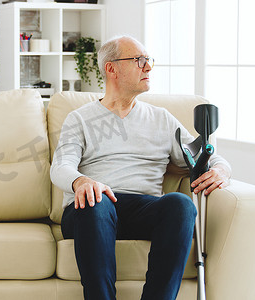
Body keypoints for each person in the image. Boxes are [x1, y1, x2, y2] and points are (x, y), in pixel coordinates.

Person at [50, 36, 231, 300]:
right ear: (111, 68)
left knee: (180, 205)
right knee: (96, 201)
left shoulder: (161, 119)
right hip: (91, 210)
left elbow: (202, 157)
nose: (148, 67)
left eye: (149, 61)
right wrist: (81, 182)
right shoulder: (80, 118)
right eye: (139, 60)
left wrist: (222, 170)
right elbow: (61, 166)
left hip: (142, 208)